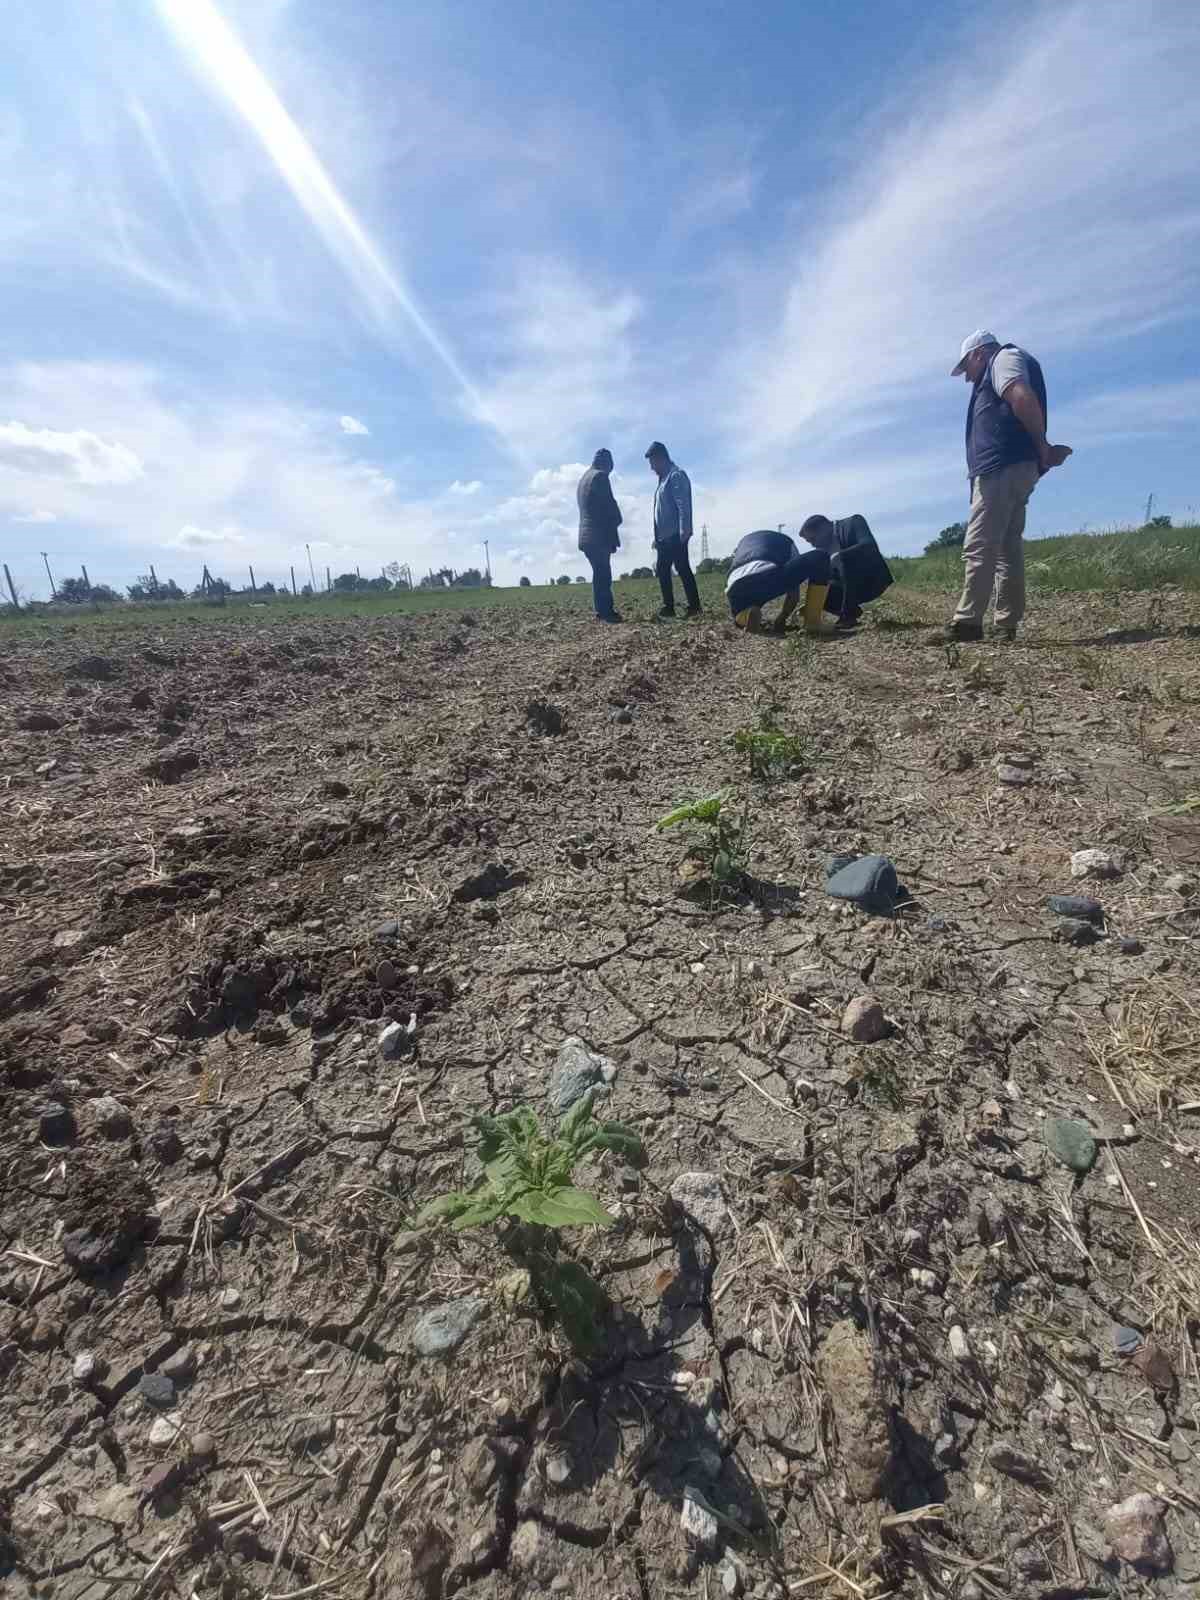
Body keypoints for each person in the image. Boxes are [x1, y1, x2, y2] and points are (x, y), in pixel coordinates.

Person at [948, 330, 1073, 641]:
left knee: (979, 546)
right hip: (1014, 467)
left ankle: (967, 623)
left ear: (978, 353)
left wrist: (1042, 446)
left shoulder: (1003, 359)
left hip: (1001, 467)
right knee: (1006, 550)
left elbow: (1020, 395)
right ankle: (1005, 625)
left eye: (966, 368)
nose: (967, 378)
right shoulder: (1005, 362)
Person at [725, 528, 830, 634]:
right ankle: (812, 623)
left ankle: (746, 615)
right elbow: (793, 595)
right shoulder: (787, 542)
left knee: (743, 609)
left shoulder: (744, 543)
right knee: (820, 557)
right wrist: (782, 617)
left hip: (734, 585)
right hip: (767, 574)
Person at [799, 513, 893, 630]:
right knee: (820, 590)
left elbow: (869, 545)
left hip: (873, 580)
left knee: (842, 558)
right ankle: (850, 611)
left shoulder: (853, 522)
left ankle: (848, 615)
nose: (813, 545)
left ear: (824, 528)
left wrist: (840, 556)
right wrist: (814, 604)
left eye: (812, 539)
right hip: (849, 587)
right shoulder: (824, 550)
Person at [645, 441, 701, 619]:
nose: (652, 468)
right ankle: (669, 607)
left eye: (653, 463)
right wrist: (657, 536)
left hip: (676, 534)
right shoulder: (662, 479)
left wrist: (685, 528)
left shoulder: (676, 475)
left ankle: (694, 607)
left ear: (661, 458)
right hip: (664, 537)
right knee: (663, 569)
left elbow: (682, 503)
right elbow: (659, 512)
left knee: (682, 568)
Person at [576, 448, 623, 622]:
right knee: (603, 573)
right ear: (607, 464)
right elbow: (609, 505)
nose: (609, 472)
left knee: (599, 572)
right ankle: (606, 612)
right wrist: (618, 518)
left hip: (585, 535)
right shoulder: (600, 477)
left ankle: (601, 610)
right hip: (598, 534)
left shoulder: (583, 479)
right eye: (610, 468)